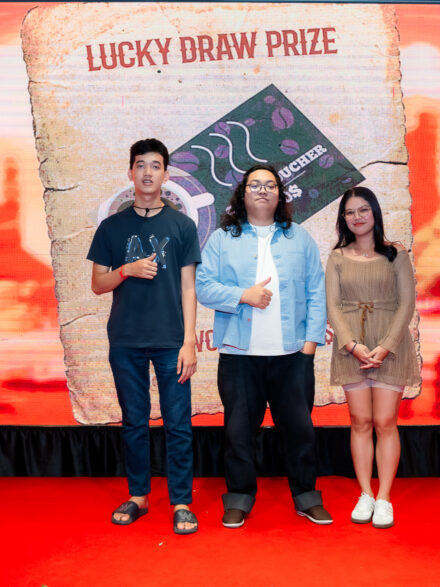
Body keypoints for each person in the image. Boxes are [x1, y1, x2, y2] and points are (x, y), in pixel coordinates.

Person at [196, 163, 331, 528]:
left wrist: (309, 346)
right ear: (242, 194)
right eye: (254, 184)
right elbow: (203, 287)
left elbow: (316, 292)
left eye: (269, 185)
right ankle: (239, 498)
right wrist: (243, 295)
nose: (262, 190)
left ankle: (307, 497)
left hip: (292, 356)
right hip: (240, 357)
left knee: (300, 433)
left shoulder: (299, 238)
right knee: (238, 434)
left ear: (279, 194)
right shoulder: (223, 239)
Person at [87, 138, 200, 535]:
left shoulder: (183, 225)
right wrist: (126, 270)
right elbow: (98, 284)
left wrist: (189, 342)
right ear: (130, 173)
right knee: (134, 421)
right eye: (140, 165)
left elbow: (189, 287)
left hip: (172, 341)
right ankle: (138, 496)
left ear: (166, 174)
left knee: (178, 423)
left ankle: (181, 501)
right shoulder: (111, 227)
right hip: (125, 340)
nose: (148, 172)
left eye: (155, 165)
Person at [326, 186, 418, 530]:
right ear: (343, 219)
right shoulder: (337, 257)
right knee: (360, 421)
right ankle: (365, 494)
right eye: (350, 212)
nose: (357, 217)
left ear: (375, 212)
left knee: (385, 421)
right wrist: (352, 345)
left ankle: (384, 498)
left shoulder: (396, 254)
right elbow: (332, 305)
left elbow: (407, 303)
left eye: (363, 210)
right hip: (352, 347)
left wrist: (386, 345)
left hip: (389, 346)